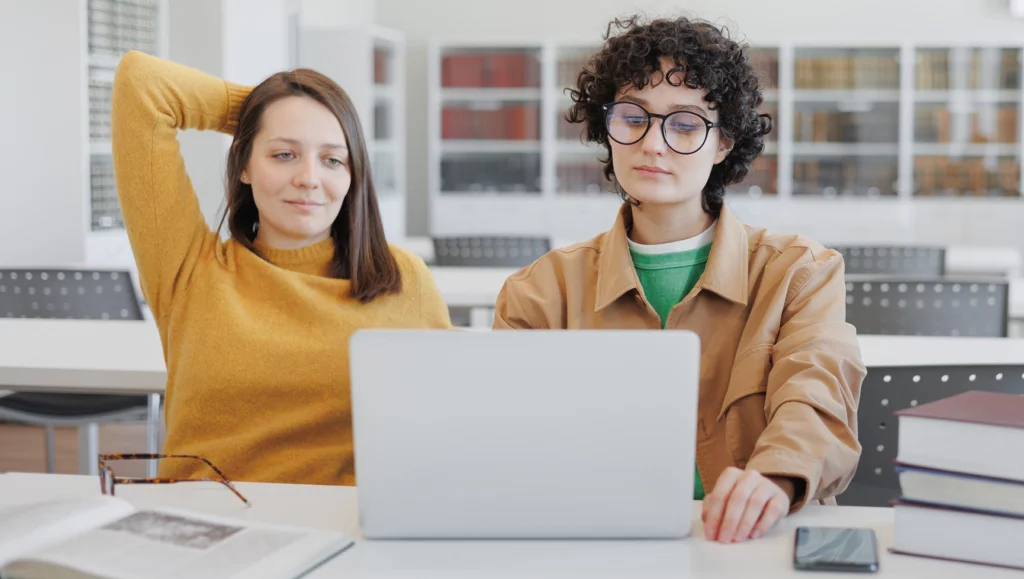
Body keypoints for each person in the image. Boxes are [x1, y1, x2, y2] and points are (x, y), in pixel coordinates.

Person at [492, 16, 865, 543]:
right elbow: (507, 441)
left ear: (723, 143)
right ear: (607, 130)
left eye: (685, 124)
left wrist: (776, 478)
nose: (653, 144)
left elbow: (817, 397)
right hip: (592, 541)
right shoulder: (539, 291)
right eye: (632, 118)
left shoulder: (798, 273)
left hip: (748, 545)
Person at [111, 51, 450, 486]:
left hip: (346, 532)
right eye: (284, 154)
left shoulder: (405, 280)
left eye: (333, 160)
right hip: (210, 530)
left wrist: (283, 126)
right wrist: (264, 110)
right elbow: (142, 85)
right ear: (245, 163)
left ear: (353, 176)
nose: (309, 178)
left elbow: (444, 428)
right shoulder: (191, 268)